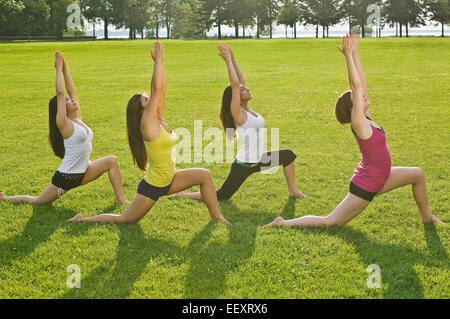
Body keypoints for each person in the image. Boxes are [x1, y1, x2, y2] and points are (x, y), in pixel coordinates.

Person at [264, 33, 444, 229]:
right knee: (330, 222)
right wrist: (348, 57)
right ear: (353, 109)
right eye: (357, 98)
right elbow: (356, 86)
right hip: (366, 184)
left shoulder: (367, 118)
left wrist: (355, 54)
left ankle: (427, 217)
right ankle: (282, 223)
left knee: (417, 174)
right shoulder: (358, 123)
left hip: (381, 176)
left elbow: (361, 84)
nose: (363, 96)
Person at [68, 42, 229, 225]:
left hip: (171, 178)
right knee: (125, 220)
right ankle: (81, 220)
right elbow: (156, 90)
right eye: (146, 99)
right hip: (153, 185)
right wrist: (157, 62)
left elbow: (161, 90)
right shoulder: (146, 124)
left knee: (205, 175)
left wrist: (162, 65)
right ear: (141, 108)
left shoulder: (159, 119)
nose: (151, 99)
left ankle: (216, 217)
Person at [176, 43, 307, 202]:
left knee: (288, 155)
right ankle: (184, 194)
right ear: (236, 97)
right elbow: (236, 84)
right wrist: (227, 62)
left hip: (258, 159)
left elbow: (241, 80)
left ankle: (293, 191)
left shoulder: (247, 108)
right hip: (244, 164)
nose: (247, 89)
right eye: (243, 90)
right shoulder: (238, 113)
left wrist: (233, 58)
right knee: (222, 195)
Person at [0, 51, 128, 205]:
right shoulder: (64, 123)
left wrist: (66, 70)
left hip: (85, 170)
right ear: (62, 108)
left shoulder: (77, 118)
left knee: (112, 161)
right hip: (67, 178)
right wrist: (58, 70)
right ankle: (4, 198)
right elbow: (61, 93)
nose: (72, 100)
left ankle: (121, 200)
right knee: (38, 201)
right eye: (68, 101)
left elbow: (71, 91)